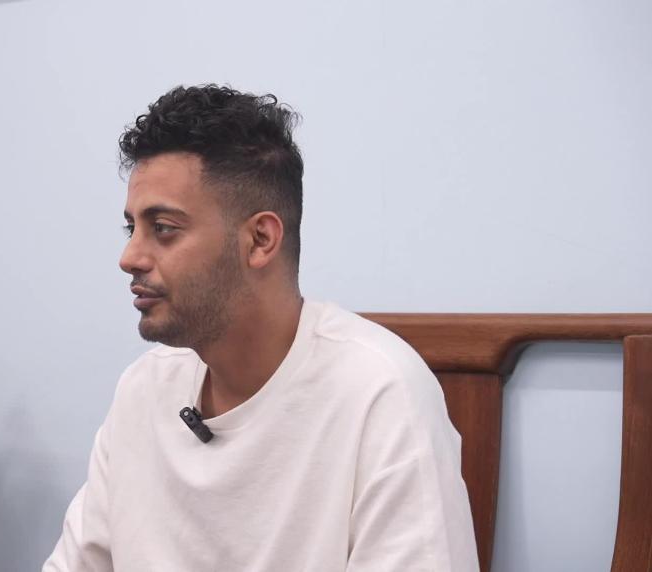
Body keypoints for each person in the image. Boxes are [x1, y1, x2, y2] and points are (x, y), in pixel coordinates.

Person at [43, 84, 478, 571]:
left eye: (163, 228)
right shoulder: (143, 388)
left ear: (260, 239)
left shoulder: (381, 393)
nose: (130, 257)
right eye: (132, 228)